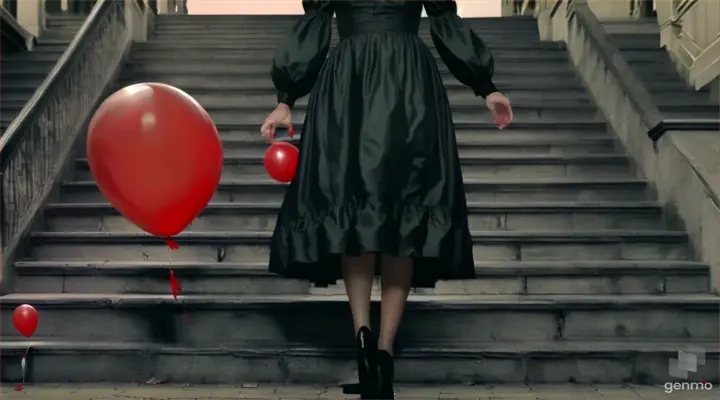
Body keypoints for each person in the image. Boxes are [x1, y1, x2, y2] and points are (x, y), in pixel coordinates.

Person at [260, 1, 513, 398]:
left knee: (354, 210)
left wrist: (286, 98)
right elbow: (445, 20)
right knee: (403, 215)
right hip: (408, 83)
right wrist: (486, 87)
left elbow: (315, 25)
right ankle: (384, 355)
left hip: (349, 81)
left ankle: (363, 335)